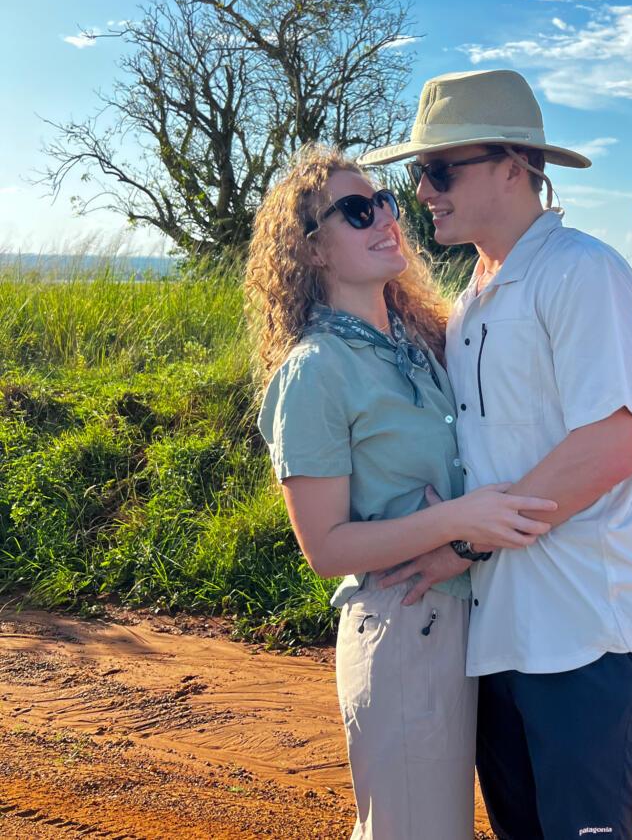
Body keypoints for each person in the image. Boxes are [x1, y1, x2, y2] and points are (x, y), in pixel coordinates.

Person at [359, 68, 632, 839]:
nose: (424, 191)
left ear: (515, 166)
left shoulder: (581, 272)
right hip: (504, 630)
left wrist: (464, 545)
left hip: (590, 627)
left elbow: (607, 446)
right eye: (419, 173)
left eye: (440, 170)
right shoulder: (473, 296)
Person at [244, 144, 561, 840]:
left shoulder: (421, 339)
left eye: (384, 202)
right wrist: (460, 520)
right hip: (403, 624)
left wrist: (619, 438)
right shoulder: (315, 371)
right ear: (312, 249)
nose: (387, 217)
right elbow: (325, 547)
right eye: (357, 212)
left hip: (471, 625)